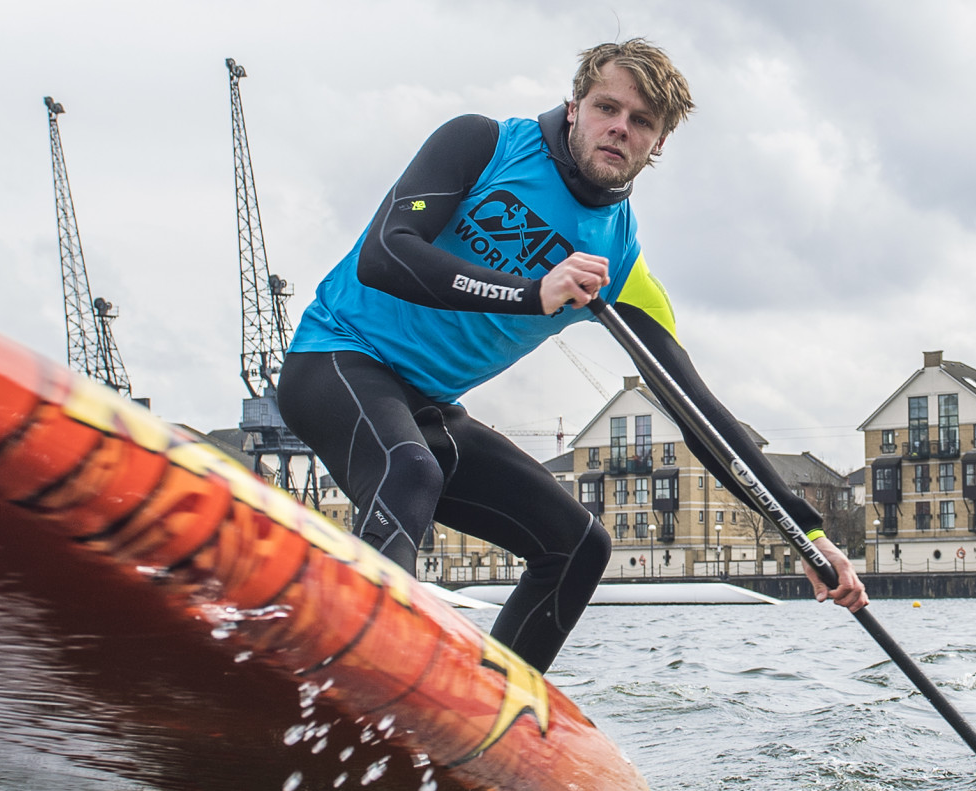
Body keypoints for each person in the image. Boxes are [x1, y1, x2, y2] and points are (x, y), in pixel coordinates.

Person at [278, 38, 866, 674]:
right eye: (607, 107)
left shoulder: (619, 268)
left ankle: (487, 725)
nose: (620, 128)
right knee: (409, 470)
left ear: (658, 144)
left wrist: (804, 534)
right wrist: (533, 293)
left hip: (427, 410)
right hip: (336, 358)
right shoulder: (483, 144)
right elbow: (386, 252)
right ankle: (359, 675)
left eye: (641, 121)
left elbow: (698, 414)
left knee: (580, 542)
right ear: (574, 106)